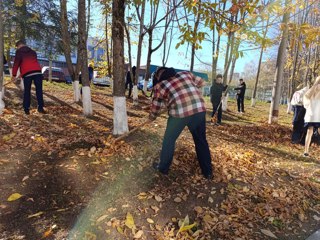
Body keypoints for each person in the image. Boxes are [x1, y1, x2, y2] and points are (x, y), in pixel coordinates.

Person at [149, 67, 213, 180]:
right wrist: (190, 90)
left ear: (159, 76)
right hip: (198, 109)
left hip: (180, 114)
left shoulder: (161, 85)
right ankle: (208, 172)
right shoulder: (185, 74)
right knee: (201, 141)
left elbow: (156, 104)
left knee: (169, 140)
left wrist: (152, 116)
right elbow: (202, 82)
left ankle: (163, 168)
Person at [11, 40, 45, 115]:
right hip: (38, 72)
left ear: (19, 46)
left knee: (27, 91)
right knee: (39, 90)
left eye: (17, 47)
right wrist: (22, 72)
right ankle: (40, 108)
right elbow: (31, 64)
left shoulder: (19, 51)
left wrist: (13, 75)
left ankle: (26, 109)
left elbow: (16, 64)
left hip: (27, 74)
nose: (17, 48)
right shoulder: (33, 52)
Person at [303, 76, 320, 157]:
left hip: (311, 114)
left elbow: (305, 97)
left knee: (309, 132)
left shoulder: (312, 89)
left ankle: (306, 151)